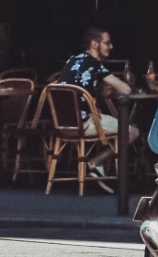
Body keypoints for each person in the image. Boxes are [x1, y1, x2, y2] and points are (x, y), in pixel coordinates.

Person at [58, 27, 140, 194]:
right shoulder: (95, 64)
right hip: (85, 123)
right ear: (95, 44)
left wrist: (102, 90)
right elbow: (126, 90)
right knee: (132, 132)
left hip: (63, 125)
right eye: (107, 43)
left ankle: (98, 168)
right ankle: (96, 163)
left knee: (114, 125)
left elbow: (84, 87)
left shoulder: (72, 60)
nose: (111, 46)